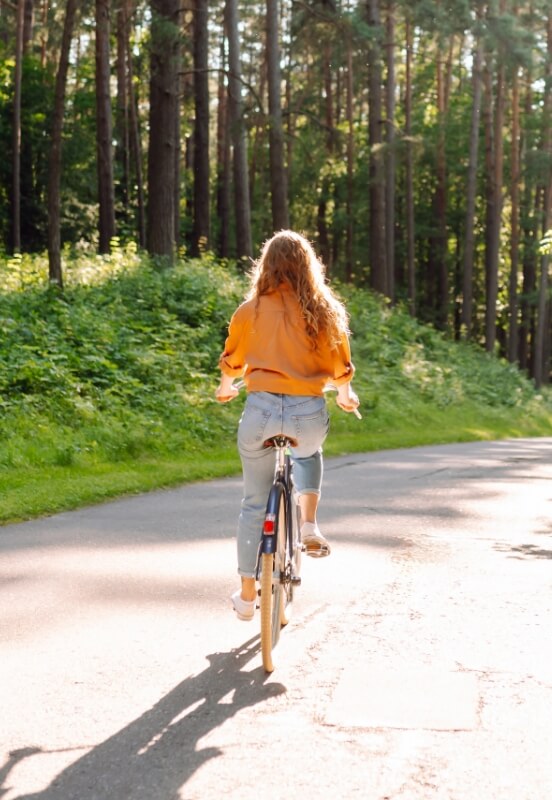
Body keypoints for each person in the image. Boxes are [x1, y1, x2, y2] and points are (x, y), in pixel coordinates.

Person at [215, 230, 359, 621]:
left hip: (260, 412)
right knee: (309, 451)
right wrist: (345, 396)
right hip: (306, 412)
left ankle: (247, 593)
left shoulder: (251, 310)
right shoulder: (325, 309)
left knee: (253, 502)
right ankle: (309, 523)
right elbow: (341, 367)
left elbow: (232, 359)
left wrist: (227, 388)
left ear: (267, 265)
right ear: (308, 266)